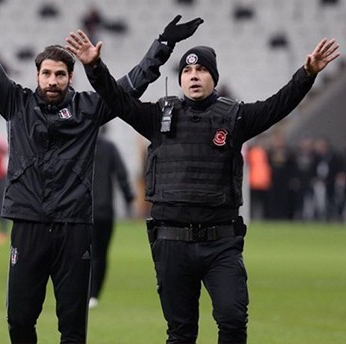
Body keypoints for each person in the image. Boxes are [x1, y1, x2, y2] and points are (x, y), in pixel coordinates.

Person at [0, 0, 203, 343]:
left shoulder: (89, 107)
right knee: (19, 321)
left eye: (60, 74)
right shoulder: (16, 103)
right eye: (47, 74)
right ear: (36, 75)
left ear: (71, 78)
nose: (52, 80)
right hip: (28, 223)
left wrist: (162, 46)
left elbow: (131, 85)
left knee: (73, 327)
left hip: (74, 227)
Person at [66, 29, 340, 344]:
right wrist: (94, 68)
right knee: (180, 333)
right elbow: (116, 99)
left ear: (214, 77)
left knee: (233, 320)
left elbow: (278, 106)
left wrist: (307, 74)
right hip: (171, 242)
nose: (194, 76)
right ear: (181, 79)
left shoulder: (235, 118)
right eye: (187, 70)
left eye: (201, 70)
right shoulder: (158, 116)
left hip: (221, 242)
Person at [88, 126, 135, 309]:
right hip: (104, 210)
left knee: (83, 253)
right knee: (101, 254)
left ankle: (84, 290)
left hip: (82, 210)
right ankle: (94, 293)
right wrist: (128, 198)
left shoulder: (81, 144)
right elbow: (121, 174)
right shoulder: (109, 147)